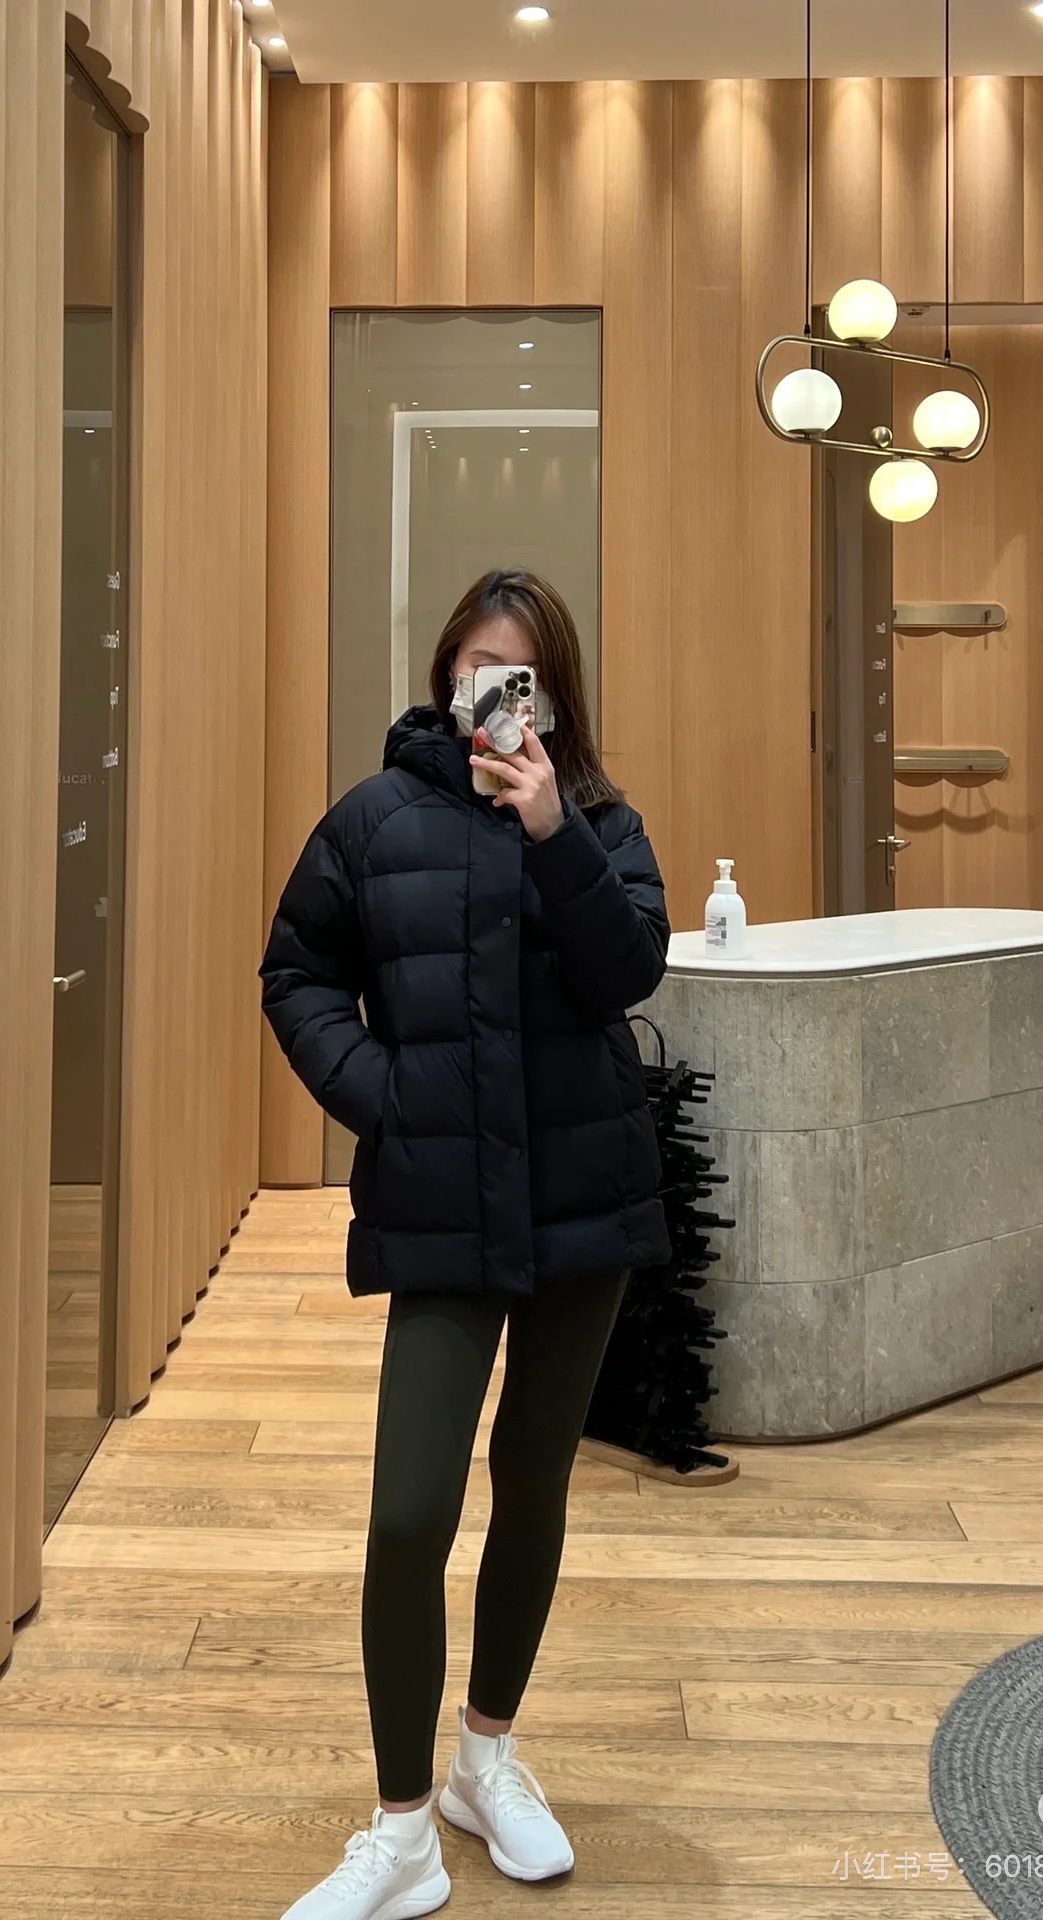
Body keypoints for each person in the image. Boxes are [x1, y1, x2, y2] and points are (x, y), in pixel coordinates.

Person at [259, 568, 672, 1920]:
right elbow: (297, 972)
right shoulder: (374, 819)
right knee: (408, 1514)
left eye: (521, 678)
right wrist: (384, 1097)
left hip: (583, 1198)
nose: (496, 698)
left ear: (553, 696)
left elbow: (630, 972)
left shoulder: (601, 822)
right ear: (446, 677)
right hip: (442, 1201)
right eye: (477, 671)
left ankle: (485, 1762)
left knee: (534, 1484)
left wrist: (552, 830)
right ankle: (400, 1833)